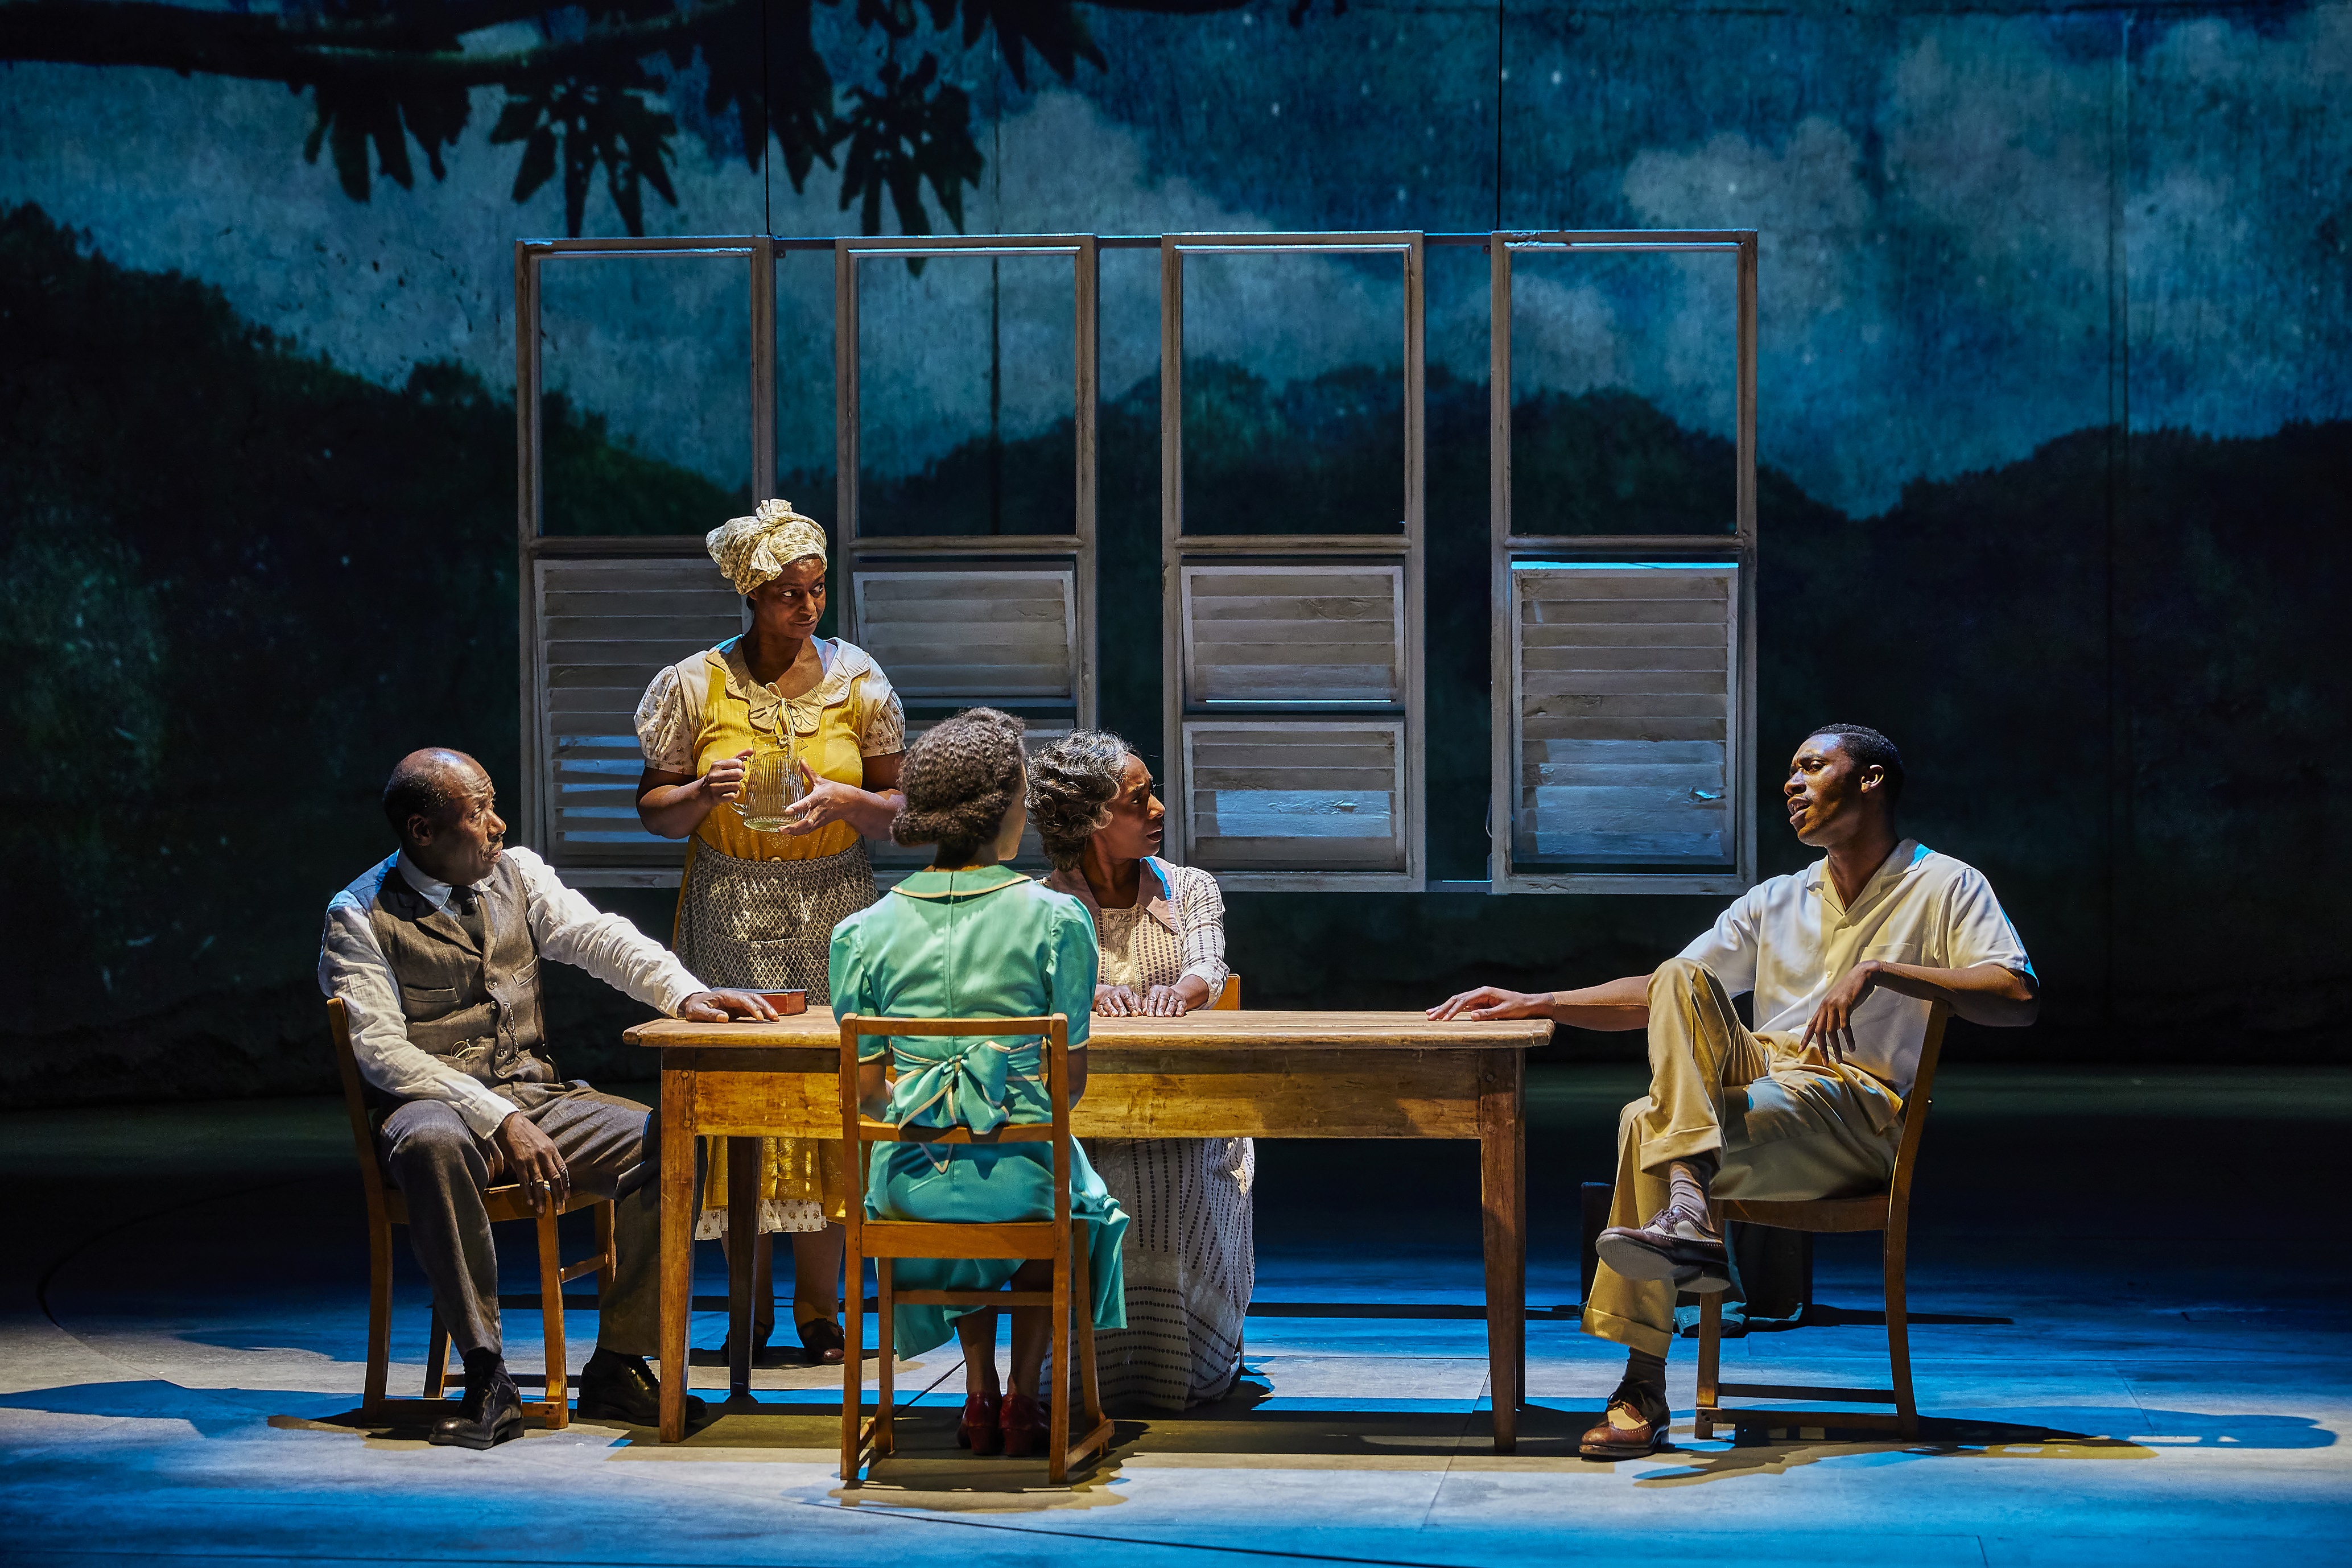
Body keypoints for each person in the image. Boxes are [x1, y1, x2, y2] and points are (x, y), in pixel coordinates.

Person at [1429, 724, 2039, 1460]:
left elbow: (2016, 993)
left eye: (1811, 767)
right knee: (1681, 981)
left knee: (1642, 1120)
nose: (1791, 784)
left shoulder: (1943, 883)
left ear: (1871, 780)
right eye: (1789, 772)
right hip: (1760, 1089)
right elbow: (1658, 995)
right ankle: (1687, 1209)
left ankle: (1641, 1384)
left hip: (1853, 1109)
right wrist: (1539, 1000)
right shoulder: (1778, 898)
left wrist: (1882, 970)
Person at [319, 749, 778, 1449]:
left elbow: (598, 935)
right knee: (432, 1142)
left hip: (539, 1096)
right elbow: (383, 1051)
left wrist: (685, 991)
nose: (497, 825)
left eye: (493, 806)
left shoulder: (519, 873)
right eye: (477, 816)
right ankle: (487, 1374)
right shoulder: (359, 915)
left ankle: (621, 1360)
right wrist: (495, 1116)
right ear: (421, 830)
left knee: (677, 1136)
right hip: (437, 1103)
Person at [633, 498, 907, 1367]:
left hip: (833, 906)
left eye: (817, 590)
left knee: (834, 1101)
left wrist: (849, 801)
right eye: (790, 592)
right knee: (737, 1109)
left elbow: (902, 810)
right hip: (731, 907)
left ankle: (822, 1308)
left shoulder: (857, 681)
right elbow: (655, 810)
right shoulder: (693, 683)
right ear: (753, 594)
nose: (808, 606)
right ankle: (744, 1308)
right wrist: (701, 795)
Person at [829, 709, 1129, 1459]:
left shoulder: (859, 934)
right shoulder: (1058, 921)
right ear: (1009, 809)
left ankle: (977, 1391)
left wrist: (934, 1111)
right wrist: (993, 1109)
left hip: (905, 1188)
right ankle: (1024, 1399)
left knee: (948, 1167)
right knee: (1041, 1175)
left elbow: (866, 1097)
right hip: (1019, 1185)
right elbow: (1071, 1088)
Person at [1028, 729, 1249, 1410]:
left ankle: (1181, 1361)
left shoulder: (1189, 887)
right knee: (1092, 1170)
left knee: (1174, 1171)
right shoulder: (1044, 903)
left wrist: (1177, 994)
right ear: (1092, 819)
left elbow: (1209, 965)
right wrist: (1086, 993)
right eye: (1138, 799)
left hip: (1184, 1109)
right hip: (1086, 1107)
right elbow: (1033, 986)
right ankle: (1092, 1367)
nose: (1157, 809)